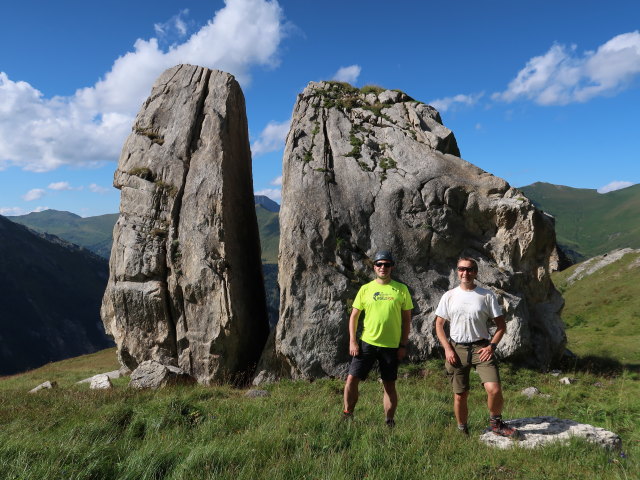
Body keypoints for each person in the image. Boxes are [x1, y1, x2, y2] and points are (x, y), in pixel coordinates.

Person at [434, 257, 519, 438]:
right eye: (461, 269)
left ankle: (496, 423)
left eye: (470, 269)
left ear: (476, 272)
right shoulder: (449, 296)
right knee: (460, 395)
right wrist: (448, 349)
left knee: (494, 389)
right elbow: (439, 325)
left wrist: (492, 346)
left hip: (481, 347)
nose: (465, 273)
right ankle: (462, 430)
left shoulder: (486, 295)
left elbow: (501, 326)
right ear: (457, 271)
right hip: (457, 349)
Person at [343, 250, 413, 427]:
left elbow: (407, 319)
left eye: (387, 264)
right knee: (352, 379)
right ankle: (347, 413)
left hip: (390, 346)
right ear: (374, 267)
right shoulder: (366, 289)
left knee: (389, 385)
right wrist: (353, 340)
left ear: (392, 267)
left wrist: (403, 344)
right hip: (367, 343)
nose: (383, 267)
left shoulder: (401, 289)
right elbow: (354, 316)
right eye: (379, 264)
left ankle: (389, 421)